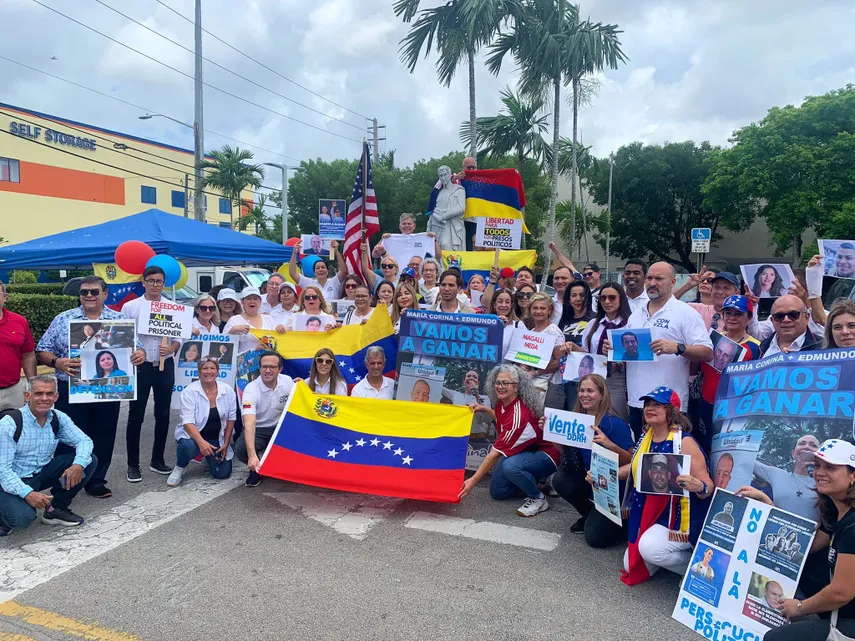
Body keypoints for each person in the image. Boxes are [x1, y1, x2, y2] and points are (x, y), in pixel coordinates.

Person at [36, 275, 145, 497]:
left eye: (94, 291)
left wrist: (140, 354)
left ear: (105, 294)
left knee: (104, 436)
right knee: (68, 438)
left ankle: (95, 480)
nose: (88, 295)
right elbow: (42, 350)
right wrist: (57, 362)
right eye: (84, 292)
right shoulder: (63, 319)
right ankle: (65, 483)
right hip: (71, 389)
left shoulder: (119, 319)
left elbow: (138, 348)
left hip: (108, 390)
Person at [606, 262, 714, 439]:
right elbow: (632, 354)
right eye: (649, 278)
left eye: (659, 278)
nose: (652, 282)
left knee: (667, 461)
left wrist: (677, 348)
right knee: (641, 456)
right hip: (637, 401)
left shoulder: (685, 312)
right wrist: (613, 350)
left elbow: (707, 352)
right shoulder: (636, 314)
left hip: (669, 403)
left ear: (672, 282)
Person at [763, 439, 855, 641]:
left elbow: (841, 592)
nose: (820, 472)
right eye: (818, 466)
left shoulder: (852, 524)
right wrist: (768, 505)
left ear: (852, 476)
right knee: (807, 566)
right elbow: (809, 547)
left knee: (773, 639)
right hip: (842, 610)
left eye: (830, 467)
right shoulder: (834, 510)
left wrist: (799, 607)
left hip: (849, 617)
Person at [621, 387, 713, 585]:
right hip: (652, 514)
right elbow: (635, 468)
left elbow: (708, 487)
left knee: (649, 550)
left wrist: (697, 485)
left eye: (657, 405)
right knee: (631, 565)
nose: (649, 409)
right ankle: (661, 554)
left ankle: (693, 569)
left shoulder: (684, 442)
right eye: (647, 404)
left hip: (680, 519)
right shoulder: (646, 437)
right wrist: (604, 473)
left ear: (672, 410)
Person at [0, 375, 97, 534]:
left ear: (56, 396)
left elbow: (84, 441)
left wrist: (78, 464)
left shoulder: (58, 417)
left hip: (40, 473)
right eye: (38, 393)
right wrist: (28, 494)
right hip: (10, 480)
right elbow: (3, 470)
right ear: (27, 396)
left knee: (89, 460)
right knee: (22, 519)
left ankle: (55, 509)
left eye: (49, 394)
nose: (44, 398)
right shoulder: (10, 423)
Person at [459, 364, 560, 517]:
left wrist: (472, 480)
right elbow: (501, 419)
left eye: (506, 383)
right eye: (497, 382)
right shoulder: (502, 403)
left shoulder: (520, 416)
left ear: (517, 387)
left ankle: (538, 498)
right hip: (524, 452)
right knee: (498, 492)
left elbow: (494, 454)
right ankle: (533, 480)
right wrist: (484, 409)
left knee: (509, 466)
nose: (500, 386)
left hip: (546, 455)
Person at [550, 374, 633, 545]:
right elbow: (566, 454)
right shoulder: (577, 421)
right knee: (560, 479)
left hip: (613, 488)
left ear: (602, 395)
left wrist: (610, 445)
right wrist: (552, 435)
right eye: (581, 390)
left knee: (595, 540)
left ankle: (625, 523)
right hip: (591, 480)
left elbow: (632, 461)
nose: (584, 395)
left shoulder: (615, 424)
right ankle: (590, 514)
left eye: (590, 391)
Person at [120, 265, 184, 481]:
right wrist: (136, 350)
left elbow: (179, 337)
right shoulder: (131, 307)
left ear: (164, 284)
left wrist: (173, 348)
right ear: (143, 282)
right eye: (152, 280)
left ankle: (157, 460)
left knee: (163, 414)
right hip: (141, 366)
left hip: (165, 365)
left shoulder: (173, 307)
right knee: (135, 415)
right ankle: (133, 464)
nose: (155, 284)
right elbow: (122, 334)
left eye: (159, 281)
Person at [697, 295, 760, 454]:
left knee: (726, 450)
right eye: (728, 313)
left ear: (748, 318)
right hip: (706, 403)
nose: (732, 318)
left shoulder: (755, 347)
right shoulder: (710, 339)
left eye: (738, 314)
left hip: (733, 409)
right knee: (704, 446)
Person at [167, 356, 235, 487]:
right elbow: (187, 422)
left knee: (222, 473)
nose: (208, 372)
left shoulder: (227, 390)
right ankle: (180, 466)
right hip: (194, 437)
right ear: (199, 372)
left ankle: (207, 455)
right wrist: (201, 443)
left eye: (212, 368)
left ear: (217, 371)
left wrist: (226, 443)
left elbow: (231, 419)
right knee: (189, 447)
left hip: (216, 439)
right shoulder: (189, 392)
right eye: (205, 368)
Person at [235, 351, 294, 487]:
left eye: (272, 367)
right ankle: (257, 468)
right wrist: (251, 455)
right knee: (241, 449)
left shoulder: (288, 381)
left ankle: (281, 464)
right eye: (264, 367)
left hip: (280, 428)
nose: (267, 370)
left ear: (280, 369)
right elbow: (249, 424)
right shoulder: (251, 389)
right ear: (259, 368)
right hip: (259, 429)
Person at [580, 282, 631, 420]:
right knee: (592, 418)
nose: (607, 302)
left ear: (621, 299)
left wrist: (616, 361)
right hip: (594, 378)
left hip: (618, 379)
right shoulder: (593, 324)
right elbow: (586, 351)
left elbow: (636, 354)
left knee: (617, 417)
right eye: (603, 298)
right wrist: (572, 348)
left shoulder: (630, 324)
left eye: (612, 298)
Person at [551, 280, 595, 410]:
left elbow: (596, 354)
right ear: (568, 299)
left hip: (586, 379)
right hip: (564, 377)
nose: (578, 299)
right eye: (573, 295)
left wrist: (575, 348)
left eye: (582, 295)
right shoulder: (564, 321)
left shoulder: (595, 320)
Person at [753, 434, 820, 518]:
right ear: (793, 453)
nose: (806, 447)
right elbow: (748, 461)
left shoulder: (824, 481)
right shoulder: (777, 474)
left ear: (818, 455)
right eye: (802, 443)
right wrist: (733, 439)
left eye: (813, 445)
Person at [0, 280, 37, 411]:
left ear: (5, 297)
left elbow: (28, 354)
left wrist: (33, 385)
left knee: (18, 429)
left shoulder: (19, 321)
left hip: (14, 390)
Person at [521, 293, 564, 404]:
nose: (538, 311)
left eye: (542, 308)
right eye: (535, 308)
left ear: (549, 311)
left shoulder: (554, 331)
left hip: (550, 384)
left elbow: (560, 361)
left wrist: (536, 373)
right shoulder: (531, 332)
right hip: (531, 383)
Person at [223, 287, 282, 352]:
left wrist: (265, 345)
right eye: (248, 299)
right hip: (244, 361)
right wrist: (233, 330)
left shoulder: (269, 319)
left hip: (267, 360)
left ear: (260, 302)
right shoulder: (234, 320)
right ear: (242, 302)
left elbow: (277, 341)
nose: (252, 301)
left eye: (255, 299)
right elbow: (222, 345)